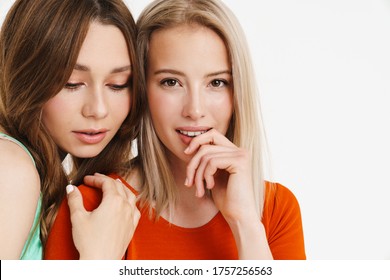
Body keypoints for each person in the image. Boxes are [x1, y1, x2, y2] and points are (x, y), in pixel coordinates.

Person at [45, 0, 305, 260]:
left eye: (216, 82)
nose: (194, 109)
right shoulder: (90, 209)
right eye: (171, 82)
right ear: (141, 90)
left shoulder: (275, 209)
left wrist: (246, 225)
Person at [0, 0, 140, 259]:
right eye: (71, 83)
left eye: (118, 84)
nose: (98, 109)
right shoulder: (10, 168)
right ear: (26, 77)